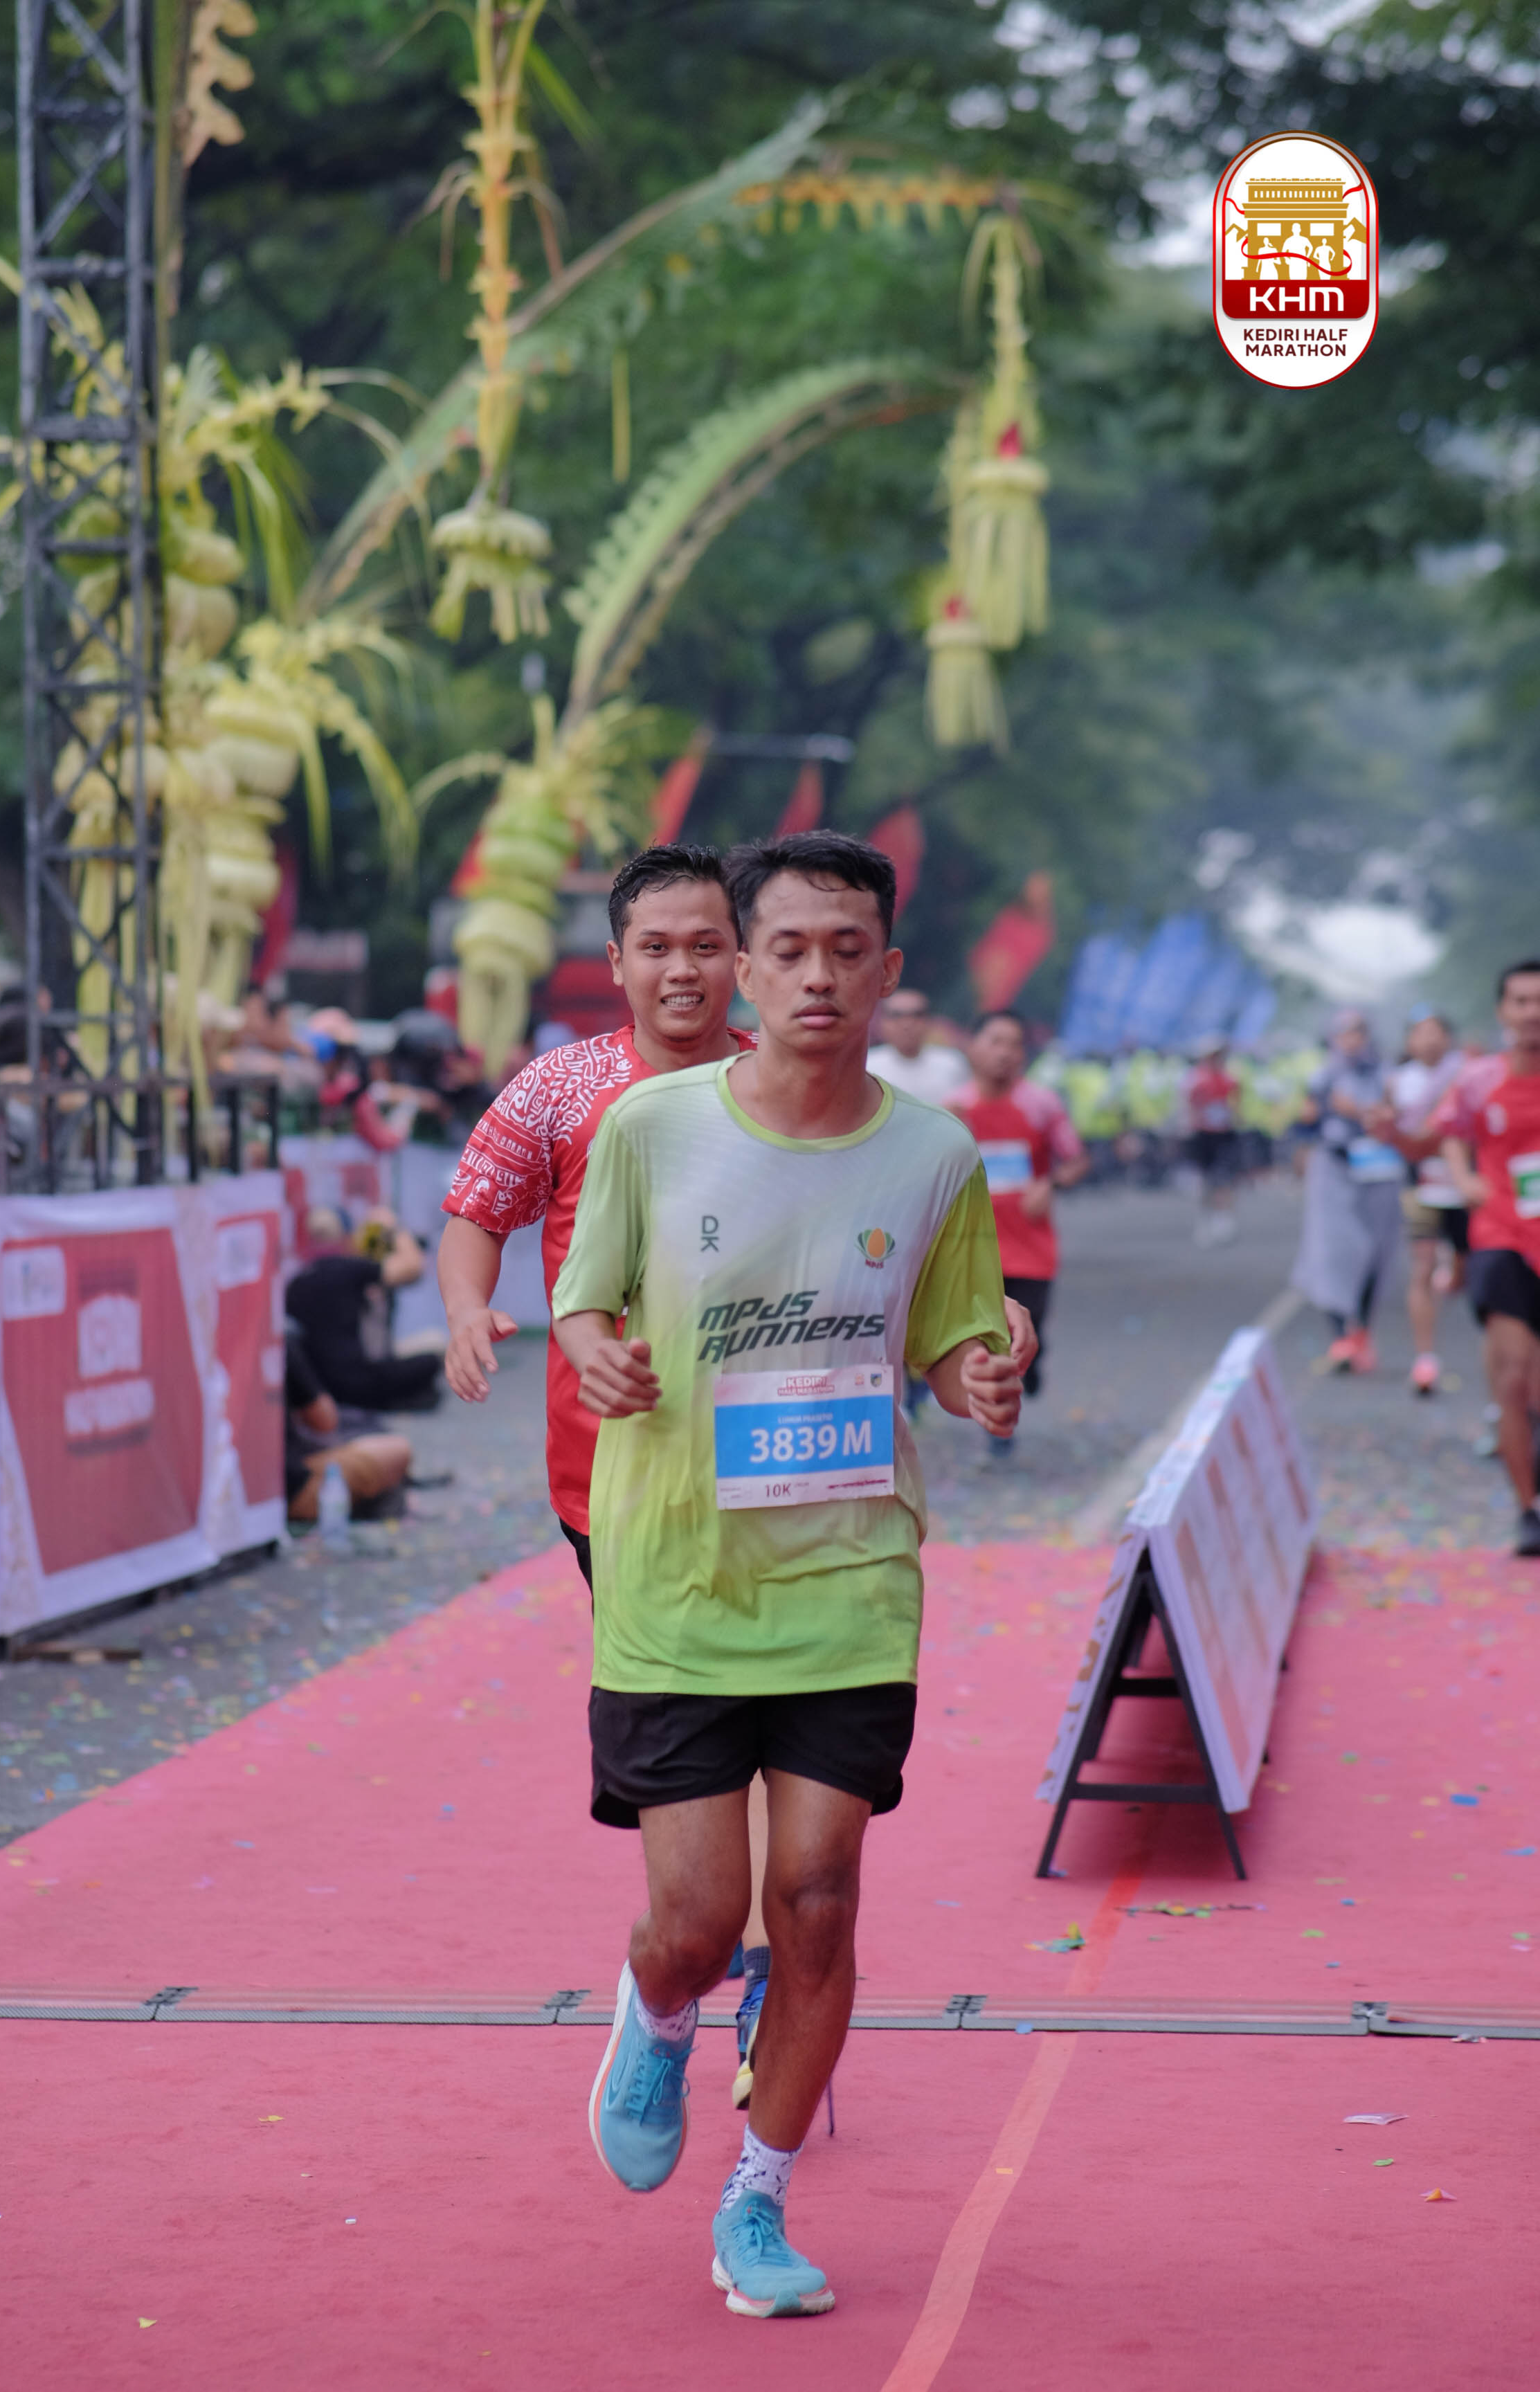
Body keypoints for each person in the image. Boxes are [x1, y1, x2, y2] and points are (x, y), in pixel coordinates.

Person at [551, 829, 1033, 2321]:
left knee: (817, 1898)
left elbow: (952, 1335)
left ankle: (755, 2199)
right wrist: (596, 1353)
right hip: (676, 1581)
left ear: (887, 972)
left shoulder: (935, 1152)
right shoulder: (650, 1129)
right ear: (743, 972)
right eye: (789, 950)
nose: (818, 975)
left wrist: (979, 1376)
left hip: (849, 1577)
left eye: (847, 950)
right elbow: (580, 1303)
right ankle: (657, 2012)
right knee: (699, 1925)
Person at [437, 843, 772, 2086]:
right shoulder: (562, 1086)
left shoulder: (788, 1083)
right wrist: (467, 1311)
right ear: (618, 960)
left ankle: (757, 1967)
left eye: (705, 946)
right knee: (703, 1719)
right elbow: (475, 1213)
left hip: (773, 1462)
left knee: (766, 1708)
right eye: (657, 947)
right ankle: (694, 1961)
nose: (682, 969)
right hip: (614, 1478)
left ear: (741, 959)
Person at [1426, 962, 1540, 1555]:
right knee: (1513, 1376)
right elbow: (1448, 1132)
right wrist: (1463, 1176)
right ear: (1503, 1011)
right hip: (1501, 1236)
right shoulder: (1477, 1079)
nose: (1532, 1012)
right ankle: (1528, 1511)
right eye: (1520, 1001)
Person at [952, 1008, 1085, 1424]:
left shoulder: (1042, 1104)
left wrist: (1051, 1184)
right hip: (973, 1246)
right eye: (996, 1042)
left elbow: (1076, 1161)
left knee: (1030, 1328)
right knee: (987, 1337)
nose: (1005, 1053)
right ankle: (997, 1423)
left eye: (1015, 1044)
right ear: (972, 1047)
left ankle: (1034, 1361)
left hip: (1031, 1246)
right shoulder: (953, 1108)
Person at [1291, 1010, 1403, 1374]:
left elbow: (1397, 1116)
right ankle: (1339, 1334)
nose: (1352, 1040)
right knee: (1331, 1252)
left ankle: (1362, 1332)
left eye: (1358, 1032)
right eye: (1344, 1033)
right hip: (1333, 1170)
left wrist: (1360, 1111)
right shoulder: (1322, 1076)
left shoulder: (1385, 1075)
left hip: (1378, 1170)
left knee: (1375, 1253)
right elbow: (1306, 1121)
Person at [284, 1205, 442, 1411]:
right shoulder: (347, 1269)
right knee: (434, 1358)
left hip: (321, 1389)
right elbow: (413, 1267)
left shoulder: (296, 1280)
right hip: (359, 1383)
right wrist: (393, 1227)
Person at [1386, 1008, 1468, 1395]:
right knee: (1421, 1267)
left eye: (1436, 1032)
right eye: (1421, 1033)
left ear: (1448, 1038)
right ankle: (1425, 1359)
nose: (1430, 1040)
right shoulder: (1398, 1081)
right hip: (1421, 1188)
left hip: (1465, 1188)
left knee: (1469, 1272)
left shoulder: (1468, 1074)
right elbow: (1393, 1134)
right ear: (1409, 1041)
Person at [283, 1328, 413, 1523]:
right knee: (399, 1448)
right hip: (291, 1491)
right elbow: (325, 1421)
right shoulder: (275, 1339)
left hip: (241, 1499)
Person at [865, 986, 970, 1106]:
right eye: (897, 1015)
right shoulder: (868, 1066)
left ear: (930, 1021)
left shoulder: (952, 1063)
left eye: (917, 1015)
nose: (907, 1024)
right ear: (882, 1023)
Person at [1185, 1035, 1242, 1246]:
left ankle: (1223, 1218)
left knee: (1225, 1177)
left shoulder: (1229, 1078)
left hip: (1223, 1134)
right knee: (1204, 1179)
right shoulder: (1195, 1079)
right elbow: (1189, 1105)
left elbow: (1235, 1104)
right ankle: (1205, 1219)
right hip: (1203, 1134)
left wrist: (1235, 1119)